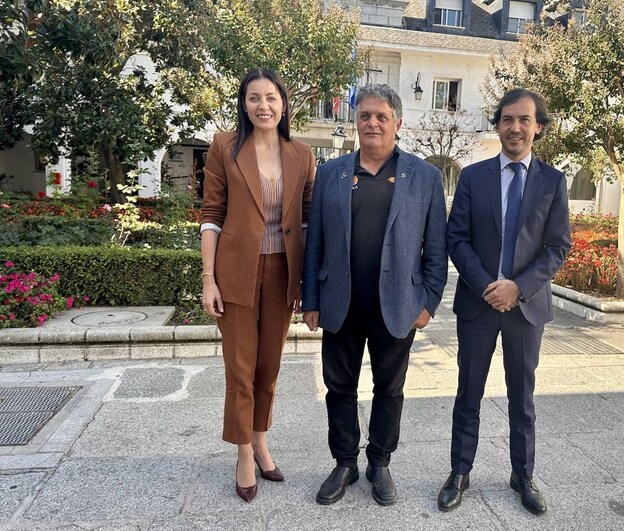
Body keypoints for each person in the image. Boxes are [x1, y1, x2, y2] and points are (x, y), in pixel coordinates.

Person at [302, 84, 448, 507]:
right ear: (356, 121)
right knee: (339, 387)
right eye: (365, 115)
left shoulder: (424, 176)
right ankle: (345, 462)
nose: (372, 123)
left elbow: (435, 247)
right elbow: (315, 243)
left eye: (382, 116)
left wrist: (429, 302)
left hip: (398, 305)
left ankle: (379, 462)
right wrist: (310, 298)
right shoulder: (330, 173)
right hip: (340, 303)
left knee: (390, 389)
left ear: (397, 123)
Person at [437, 88, 571, 515]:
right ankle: (460, 472)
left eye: (524, 120)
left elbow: (557, 248)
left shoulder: (553, 181)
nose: (515, 127)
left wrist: (517, 287)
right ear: (497, 125)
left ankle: (523, 474)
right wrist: (487, 285)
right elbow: (455, 238)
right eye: (507, 119)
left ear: (539, 128)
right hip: (478, 305)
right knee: (468, 393)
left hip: (525, 309)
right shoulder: (474, 177)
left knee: (522, 396)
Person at [200, 68, 315, 503]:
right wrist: (208, 278)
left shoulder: (301, 154)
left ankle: (262, 437)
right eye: (253, 98)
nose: (263, 105)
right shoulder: (224, 148)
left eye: (270, 97)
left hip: (283, 274)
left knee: (269, 368)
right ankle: (244, 452)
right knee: (241, 370)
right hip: (234, 272)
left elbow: (306, 221)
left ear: (284, 104)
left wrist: (306, 278)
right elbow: (211, 214)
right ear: (243, 104)